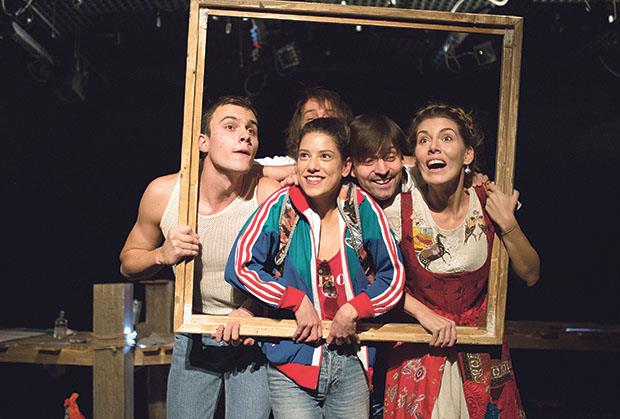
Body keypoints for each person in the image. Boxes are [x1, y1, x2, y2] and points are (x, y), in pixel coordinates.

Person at [347, 107, 539, 418]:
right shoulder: (396, 210)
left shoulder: (489, 200)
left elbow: (530, 274)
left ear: (468, 154)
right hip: (419, 352)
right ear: (416, 157)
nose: (434, 147)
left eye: (446, 138)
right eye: (424, 141)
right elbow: (372, 279)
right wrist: (423, 314)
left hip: (481, 353)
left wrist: (508, 223)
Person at [225, 117, 405, 418]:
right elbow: (241, 265)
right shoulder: (281, 206)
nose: (312, 166)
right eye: (305, 156)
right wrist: (294, 300)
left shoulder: (363, 208)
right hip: (292, 361)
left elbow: (394, 276)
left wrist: (354, 309)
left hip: (352, 361)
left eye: (325, 156)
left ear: (346, 166)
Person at [119, 96, 280, 418]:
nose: (245, 136)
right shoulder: (165, 193)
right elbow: (127, 263)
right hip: (194, 331)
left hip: (251, 334)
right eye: (230, 127)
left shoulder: (267, 195)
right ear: (202, 142)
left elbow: (286, 272)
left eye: (252, 130)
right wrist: (161, 255)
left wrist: (251, 309)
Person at [256, 87, 354, 178]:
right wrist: (297, 170)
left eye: (327, 118)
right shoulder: (287, 163)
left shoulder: (355, 167)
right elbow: (248, 167)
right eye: (311, 118)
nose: (319, 123)